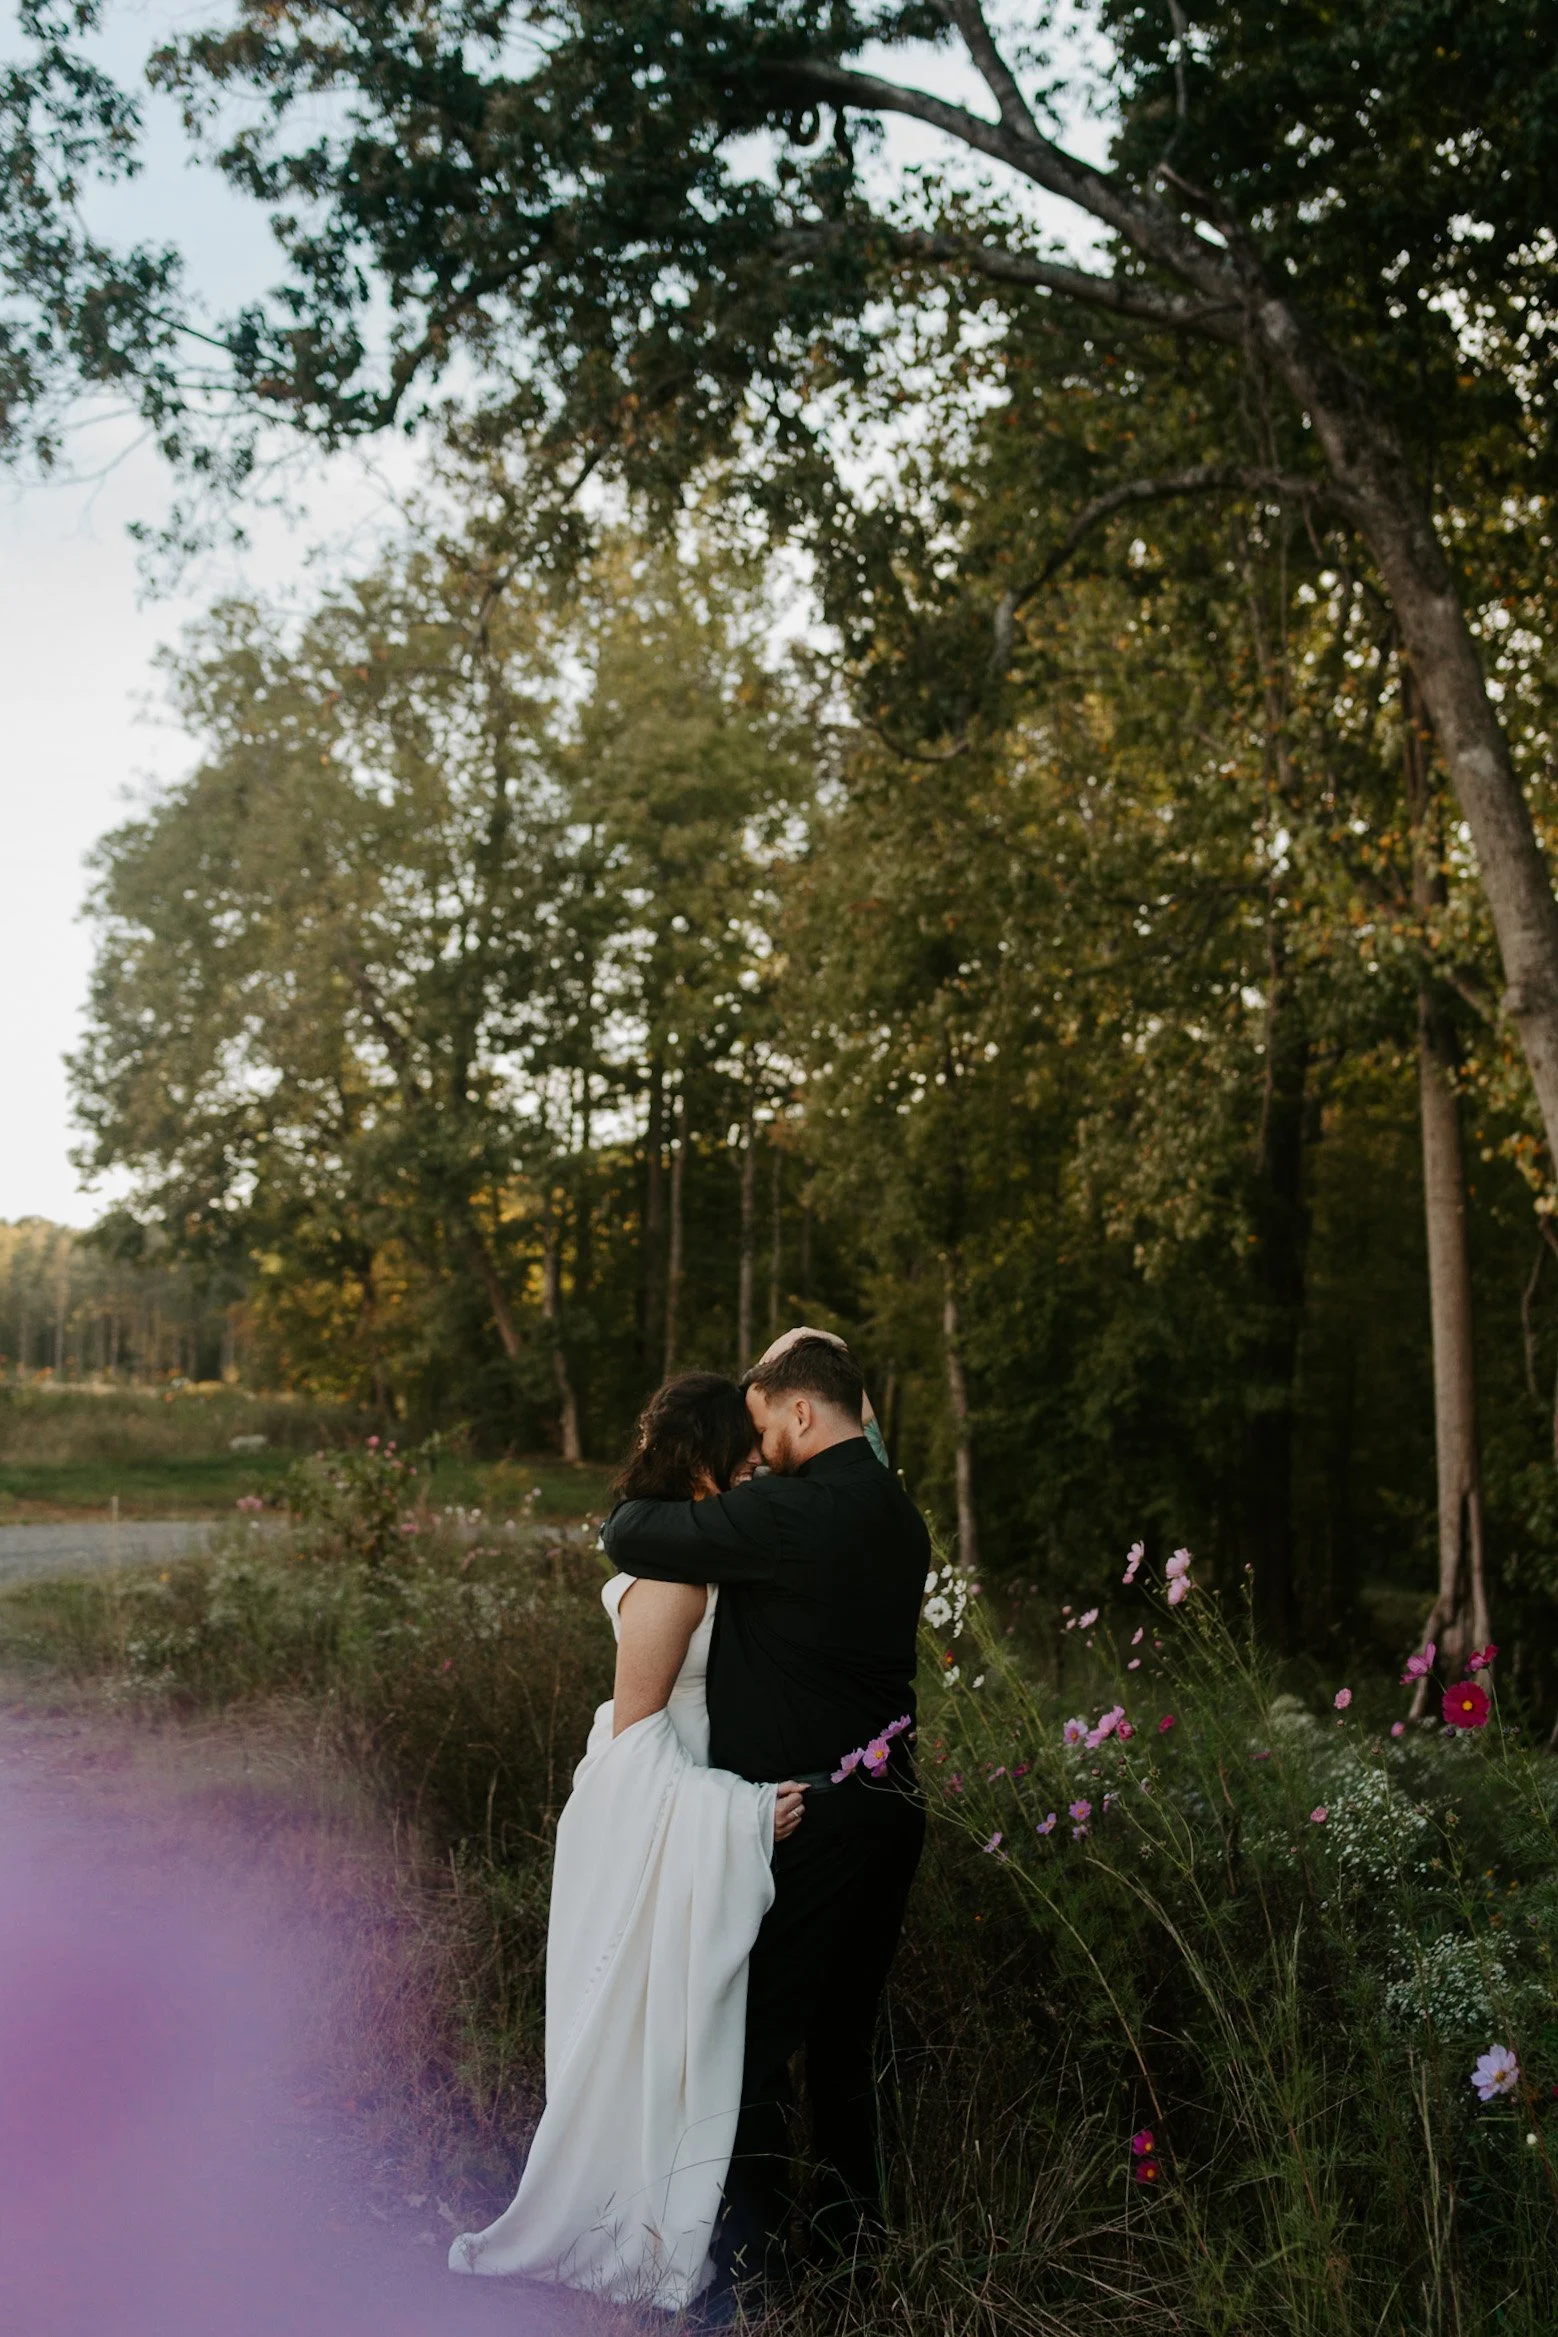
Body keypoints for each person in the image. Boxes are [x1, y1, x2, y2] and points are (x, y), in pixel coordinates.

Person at [448, 1372, 808, 2311]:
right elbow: (634, 1742)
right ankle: (621, 2221)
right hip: (652, 1818)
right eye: (737, 1466)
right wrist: (739, 1815)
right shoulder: (674, 1579)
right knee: (637, 2029)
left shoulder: (700, 1549)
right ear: (699, 1465)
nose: (748, 1483)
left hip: (678, 1808)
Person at [601, 1330, 930, 2308]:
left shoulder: (785, 1513)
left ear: (798, 1412)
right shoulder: (896, 1512)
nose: (754, 1452)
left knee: (742, 2053)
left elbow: (629, 1532)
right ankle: (849, 2268)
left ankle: (745, 2278)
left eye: (761, 1423)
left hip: (804, 1823)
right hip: (889, 1811)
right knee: (839, 2053)